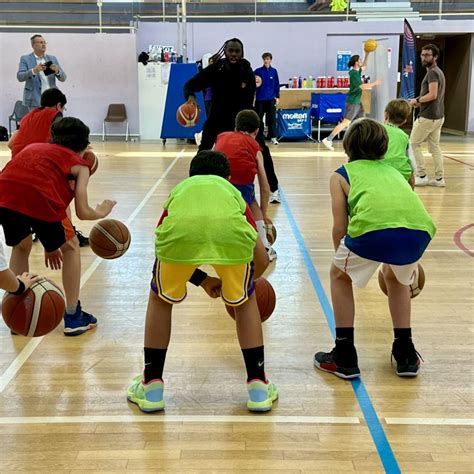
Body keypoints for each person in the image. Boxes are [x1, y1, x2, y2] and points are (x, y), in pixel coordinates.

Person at [127, 150, 278, 413]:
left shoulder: (180, 190)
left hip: (178, 239)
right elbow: (262, 258)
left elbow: (166, 246)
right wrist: (245, 286)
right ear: (228, 177)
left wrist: (201, 279)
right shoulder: (233, 193)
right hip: (231, 236)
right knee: (246, 302)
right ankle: (258, 387)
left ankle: (151, 387)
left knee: (160, 299)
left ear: (191, 176)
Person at [314, 118, 436, 379]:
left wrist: (342, 260)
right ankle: (405, 353)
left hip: (373, 230)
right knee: (396, 279)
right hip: (420, 231)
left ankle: (345, 355)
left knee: (338, 275)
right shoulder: (394, 172)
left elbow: (339, 226)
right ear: (383, 146)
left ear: (348, 146)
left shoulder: (341, 174)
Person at [0, 117, 116, 336]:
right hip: (40, 199)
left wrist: (49, 243)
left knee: (21, 246)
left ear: (53, 138)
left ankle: (17, 312)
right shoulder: (81, 165)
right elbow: (82, 211)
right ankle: (73, 317)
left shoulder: (33, 147)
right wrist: (102, 210)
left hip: (4, 194)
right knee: (71, 247)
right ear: (84, 146)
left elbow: (25, 178)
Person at [8, 88, 89, 247]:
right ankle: (69, 234)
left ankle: (38, 229)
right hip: (38, 168)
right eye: (64, 108)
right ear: (59, 106)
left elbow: (11, 144)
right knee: (62, 196)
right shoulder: (55, 116)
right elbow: (60, 146)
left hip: (15, 168)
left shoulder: (27, 116)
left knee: (21, 246)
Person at [214, 109, 276, 261]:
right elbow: (265, 186)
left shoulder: (221, 138)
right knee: (252, 202)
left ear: (235, 127)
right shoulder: (254, 146)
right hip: (242, 187)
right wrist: (264, 213)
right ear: (257, 131)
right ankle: (265, 247)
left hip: (218, 185)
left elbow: (210, 158)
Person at [184, 38, 256, 151]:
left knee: (261, 149)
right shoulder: (216, 68)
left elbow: (250, 98)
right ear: (225, 51)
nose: (233, 54)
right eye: (230, 51)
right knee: (204, 151)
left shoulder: (247, 71)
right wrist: (190, 96)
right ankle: (199, 169)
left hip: (241, 120)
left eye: (237, 51)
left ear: (242, 53)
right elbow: (190, 85)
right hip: (217, 118)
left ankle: (266, 169)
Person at [322, 53, 380, 151]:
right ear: (356, 62)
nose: (361, 61)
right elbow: (362, 87)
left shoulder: (357, 71)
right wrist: (375, 83)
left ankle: (360, 142)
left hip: (358, 102)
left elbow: (365, 66)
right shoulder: (353, 74)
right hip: (353, 102)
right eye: (360, 60)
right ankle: (328, 139)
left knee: (361, 122)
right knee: (346, 123)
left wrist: (367, 53)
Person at [409, 44, 446, 188]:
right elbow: (432, 96)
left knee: (413, 144)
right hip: (438, 116)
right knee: (434, 147)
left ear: (435, 57)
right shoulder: (438, 72)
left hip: (428, 117)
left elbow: (432, 94)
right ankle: (439, 179)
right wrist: (420, 102)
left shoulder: (432, 73)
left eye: (427, 55)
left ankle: (422, 176)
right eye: (422, 55)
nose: (424, 57)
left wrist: (417, 100)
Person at [17, 34, 67, 110]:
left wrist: (57, 71)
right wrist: (34, 70)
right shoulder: (25, 59)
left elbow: (63, 78)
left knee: (53, 121)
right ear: (33, 45)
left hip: (52, 98)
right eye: (40, 42)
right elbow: (20, 77)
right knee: (37, 121)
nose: (43, 44)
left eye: (44, 42)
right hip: (34, 99)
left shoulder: (52, 58)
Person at [383, 99, 416, 188]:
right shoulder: (404, 136)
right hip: (401, 171)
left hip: (380, 168)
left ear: (386, 115)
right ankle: (410, 196)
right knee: (411, 173)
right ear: (404, 120)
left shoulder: (377, 130)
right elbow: (411, 161)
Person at [254, 52, 280, 146]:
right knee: (259, 119)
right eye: (265, 59)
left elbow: (277, 84)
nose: (266, 60)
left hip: (270, 99)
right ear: (263, 60)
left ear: (270, 60)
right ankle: (258, 138)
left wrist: (277, 97)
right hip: (260, 99)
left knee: (272, 119)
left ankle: (273, 137)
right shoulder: (258, 71)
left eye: (268, 59)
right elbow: (252, 82)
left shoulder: (274, 71)